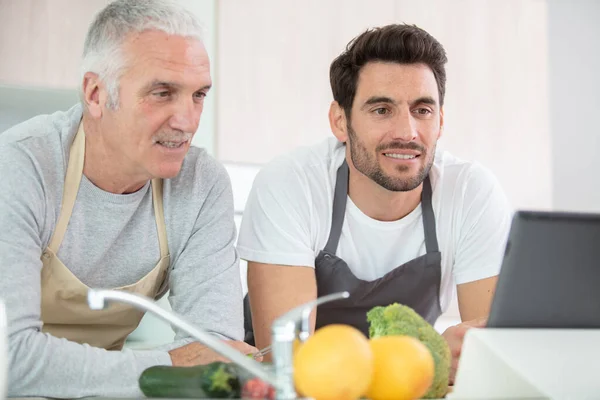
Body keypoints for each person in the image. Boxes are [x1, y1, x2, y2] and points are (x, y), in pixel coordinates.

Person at [0, 0, 256, 398]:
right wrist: (169, 363)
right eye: (162, 93)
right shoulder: (22, 167)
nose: (187, 121)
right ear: (96, 93)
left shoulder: (201, 184)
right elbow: (9, 357)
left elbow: (216, 358)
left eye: (198, 95)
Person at [238, 23, 512, 382]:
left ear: (441, 121)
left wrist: (439, 363)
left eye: (423, 110)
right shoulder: (291, 184)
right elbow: (290, 363)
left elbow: (488, 358)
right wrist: (429, 356)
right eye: (382, 109)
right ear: (340, 121)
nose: (407, 132)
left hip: (408, 386)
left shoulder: (471, 192)